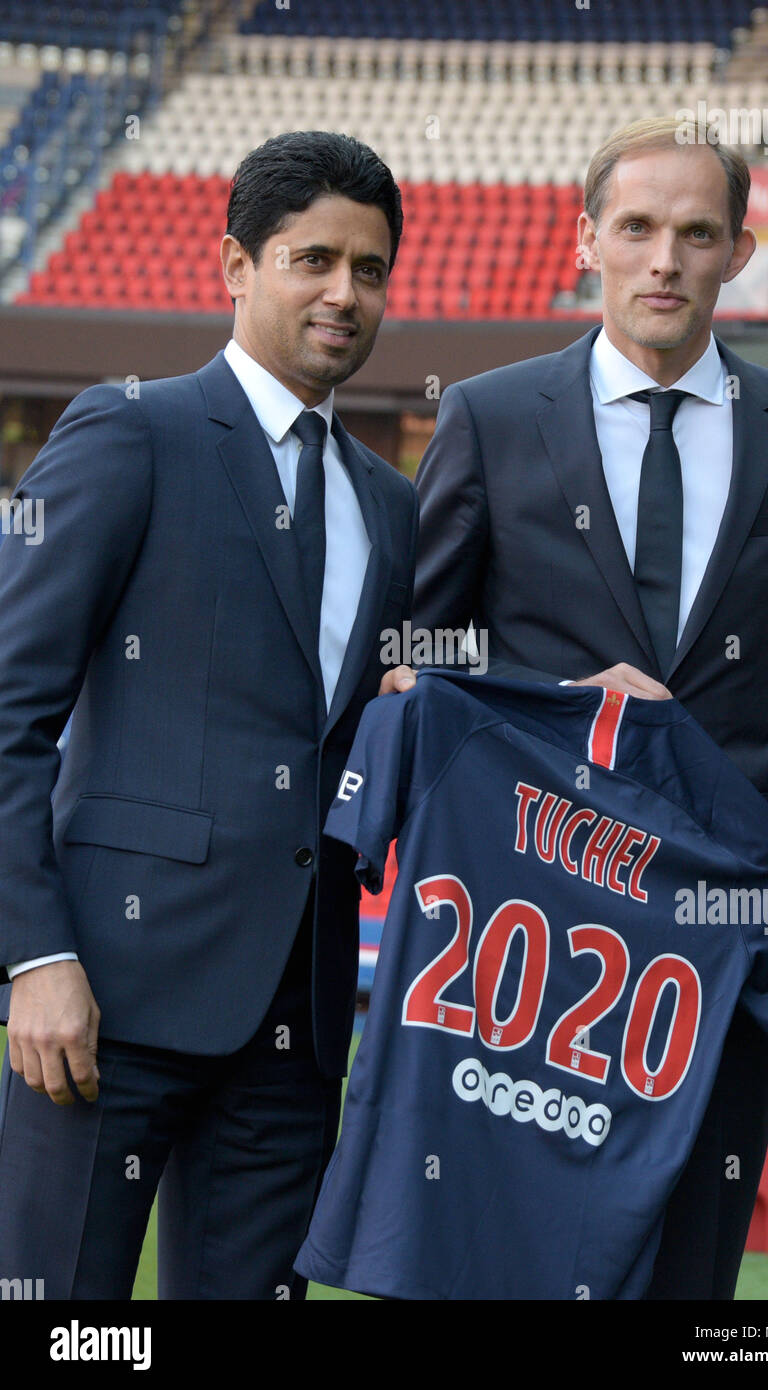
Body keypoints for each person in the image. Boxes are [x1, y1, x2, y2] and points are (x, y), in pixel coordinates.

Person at [406, 117, 768, 1299]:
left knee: (689, 1280)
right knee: (501, 1260)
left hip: (721, 925)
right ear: (587, 243)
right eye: (640, 228)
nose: (666, 257)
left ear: (740, 251)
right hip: (531, 928)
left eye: (697, 233)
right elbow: (412, 654)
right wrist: (561, 704)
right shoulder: (491, 416)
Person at [0, 130, 417, 1300]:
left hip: (298, 1022)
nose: (345, 292)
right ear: (235, 263)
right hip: (103, 1001)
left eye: (371, 269)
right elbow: (8, 706)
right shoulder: (129, 430)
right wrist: (35, 955)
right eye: (313, 259)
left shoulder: (394, 506)